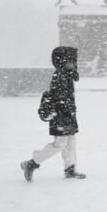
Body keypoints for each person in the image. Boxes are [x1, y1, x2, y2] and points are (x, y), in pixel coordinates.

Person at [20, 47, 86, 182]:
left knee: (70, 142)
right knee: (60, 144)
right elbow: (60, 98)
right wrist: (65, 110)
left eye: (74, 61)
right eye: (70, 61)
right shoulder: (60, 76)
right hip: (61, 116)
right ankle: (31, 163)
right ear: (62, 62)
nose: (73, 63)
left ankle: (70, 169)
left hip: (67, 114)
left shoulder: (66, 75)